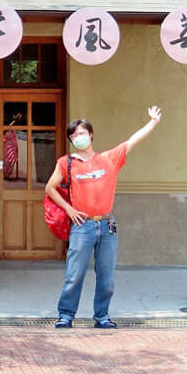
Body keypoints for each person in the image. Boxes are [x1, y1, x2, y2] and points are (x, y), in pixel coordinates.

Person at [44, 106, 162, 329]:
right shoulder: (66, 163)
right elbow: (50, 187)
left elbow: (132, 141)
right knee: (74, 274)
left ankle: (102, 316)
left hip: (106, 225)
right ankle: (66, 315)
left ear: (91, 134)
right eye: (74, 134)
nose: (79, 137)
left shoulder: (109, 159)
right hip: (82, 226)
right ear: (71, 139)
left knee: (106, 277)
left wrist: (153, 122)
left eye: (82, 133)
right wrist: (69, 210)